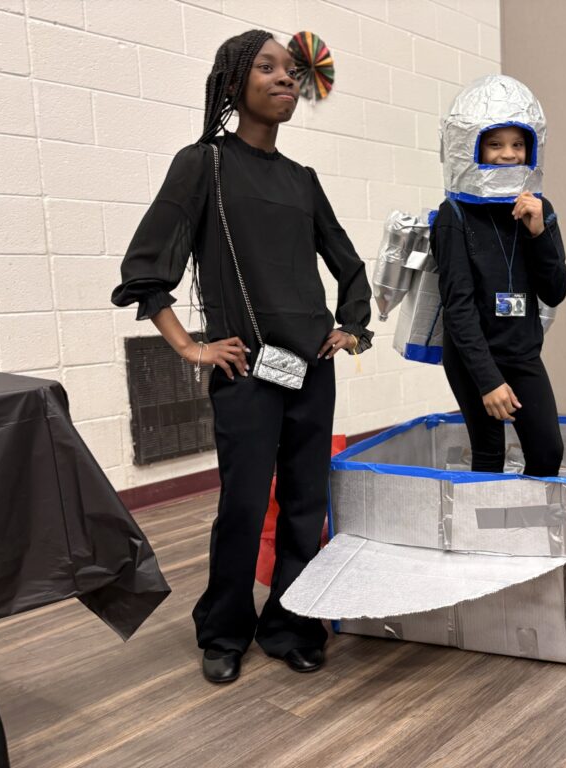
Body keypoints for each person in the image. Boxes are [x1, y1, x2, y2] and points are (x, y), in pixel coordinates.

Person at [111, 30, 373, 684]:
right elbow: (146, 269)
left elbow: (350, 267)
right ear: (233, 84)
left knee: (306, 505)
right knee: (245, 506)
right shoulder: (203, 164)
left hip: (312, 370)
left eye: (291, 71)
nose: (287, 78)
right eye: (267, 67)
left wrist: (351, 329)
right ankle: (224, 629)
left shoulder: (302, 181)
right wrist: (190, 346)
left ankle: (292, 623)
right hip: (246, 371)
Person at [432, 76, 566, 477]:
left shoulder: (538, 209)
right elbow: (458, 307)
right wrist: (488, 381)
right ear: (474, 147)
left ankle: (526, 517)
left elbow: (556, 290)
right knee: (489, 454)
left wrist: (539, 233)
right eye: (495, 144)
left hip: (521, 351)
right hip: (473, 356)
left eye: (517, 144)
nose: (508, 154)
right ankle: (487, 518)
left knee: (547, 451)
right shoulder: (454, 215)